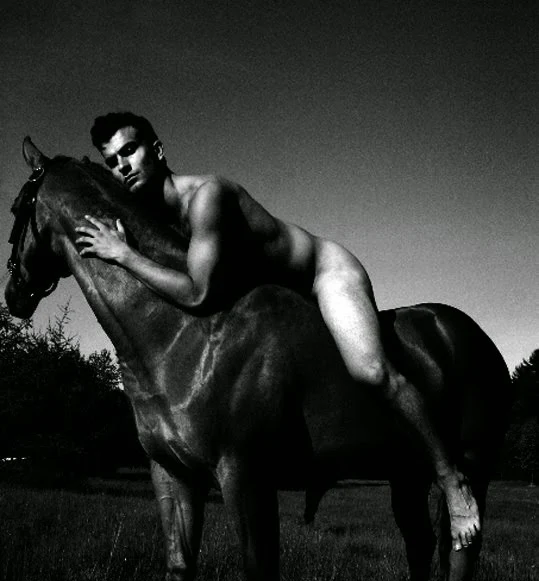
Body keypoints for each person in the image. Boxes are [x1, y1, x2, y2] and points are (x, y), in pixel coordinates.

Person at [75, 112, 480, 551]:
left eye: (129, 151)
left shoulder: (206, 197)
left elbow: (196, 293)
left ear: (156, 150)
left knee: (370, 369)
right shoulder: (154, 218)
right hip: (280, 307)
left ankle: (451, 479)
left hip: (321, 274)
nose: (123, 166)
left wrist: (124, 255)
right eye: (112, 161)